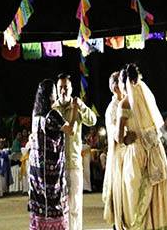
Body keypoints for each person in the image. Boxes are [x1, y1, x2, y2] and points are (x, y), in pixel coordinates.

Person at [118, 64, 167, 229]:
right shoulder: (145, 97)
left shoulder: (124, 104)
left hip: (136, 155)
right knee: (157, 199)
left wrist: (126, 139)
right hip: (155, 151)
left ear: (124, 83)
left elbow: (119, 137)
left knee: (135, 201)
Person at [28, 79, 76, 230]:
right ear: (50, 95)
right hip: (50, 172)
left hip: (36, 172)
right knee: (54, 205)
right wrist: (74, 110)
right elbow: (71, 130)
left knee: (39, 205)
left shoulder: (36, 115)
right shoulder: (52, 115)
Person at [52, 73, 97, 230]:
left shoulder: (77, 106)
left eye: (66, 87)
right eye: (60, 88)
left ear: (71, 89)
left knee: (75, 204)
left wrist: (82, 107)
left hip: (73, 162)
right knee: (59, 204)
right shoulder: (53, 109)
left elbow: (92, 120)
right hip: (57, 165)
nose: (63, 91)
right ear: (57, 90)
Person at [102, 71, 136, 229]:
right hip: (120, 158)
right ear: (116, 87)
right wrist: (128, 137)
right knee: (121, 197)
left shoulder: (130, 102)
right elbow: (117, 135)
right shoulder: (112, 109)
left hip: (133, 154)